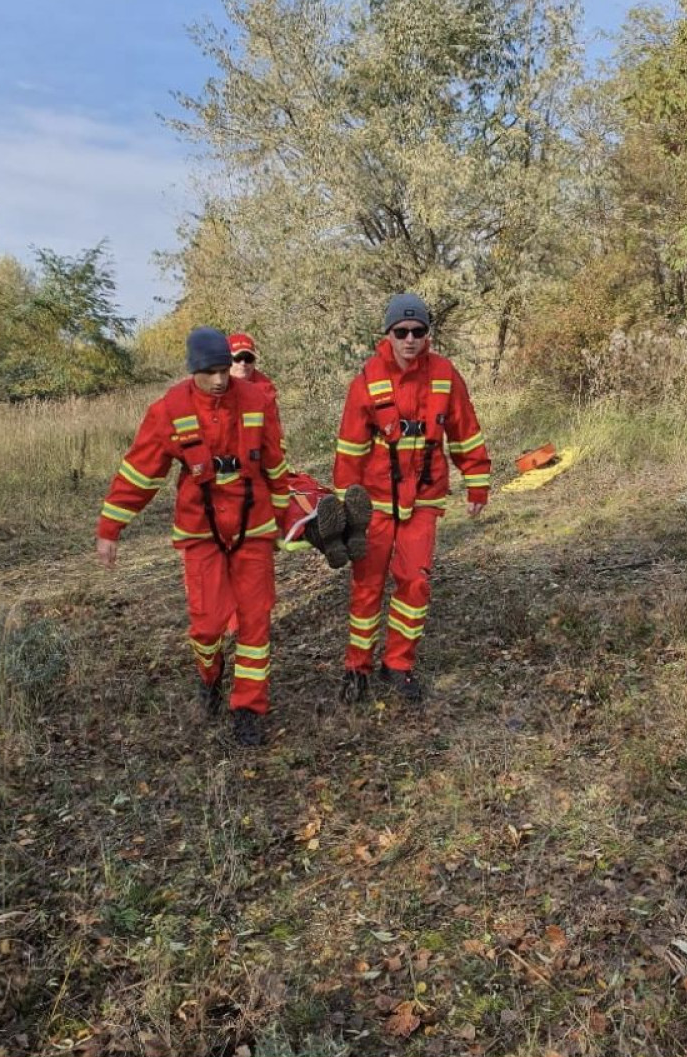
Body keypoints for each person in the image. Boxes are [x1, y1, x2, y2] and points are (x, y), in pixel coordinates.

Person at [96, 327, 293, 747]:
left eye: (224, 370)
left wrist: (283, 516)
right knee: (207, 625)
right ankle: (210, 675)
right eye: (210, 373)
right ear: (193, 371)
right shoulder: (170, 409)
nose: (220, 380)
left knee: (255, 621)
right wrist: (111, 528)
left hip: (252, 526)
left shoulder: (257, 401)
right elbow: (140, 471)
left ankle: (248, 708)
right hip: (200, 530)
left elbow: (275, 465)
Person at [332, 293, 491, 703]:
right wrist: (340, 509)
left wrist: (477, 479)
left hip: (422, 500)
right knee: (366, 587)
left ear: (428, 335)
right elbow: (350, 449)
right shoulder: (367, 379)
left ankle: (398, 665)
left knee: (415, 584)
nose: (409, 340)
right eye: (401, 332)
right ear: (387, 334)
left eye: (418, 332)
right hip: (375, 504)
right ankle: (357, 668)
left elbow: (464, 429)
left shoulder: (444, 375)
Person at [227, 330, 373, 569]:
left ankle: (349, 531)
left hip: (267, 467)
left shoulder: (263, 392)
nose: (243, 363)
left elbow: (275, 440)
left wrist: (273, 466)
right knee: (284, 507)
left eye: (248, 358)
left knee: (308, 492)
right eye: (236, 358)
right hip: (235, 474)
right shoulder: (215, 391)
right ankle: (338, 541)